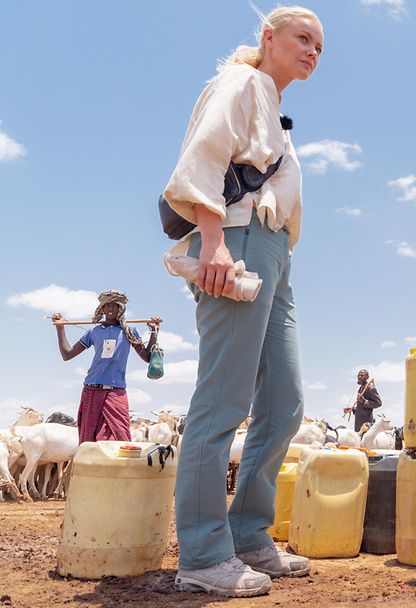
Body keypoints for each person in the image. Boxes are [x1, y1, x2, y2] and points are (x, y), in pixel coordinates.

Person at [163, 6, 323, 597]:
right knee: (223, 398)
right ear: (269, 37)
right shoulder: (241, 82)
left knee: (285, 401)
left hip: (274, 254)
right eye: (302, 38)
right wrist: (213, 246)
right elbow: (204, 156)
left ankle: (249, 534)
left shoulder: (276, 114)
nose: (312, 51)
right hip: (235, 240)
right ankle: (203, 556)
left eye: (319, 46)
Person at [51, 291, 159, 443]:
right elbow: (67, 355)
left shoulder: (129, 332)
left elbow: (147, 358)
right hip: (92, 390)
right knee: (89, 442)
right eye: (106, 305)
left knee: (120, 438)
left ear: (120, 309)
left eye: (114, 305)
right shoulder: (93, 331)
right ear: (101, 308)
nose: (110, 308)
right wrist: (60, 328)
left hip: (116, 392)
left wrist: (154, 332)